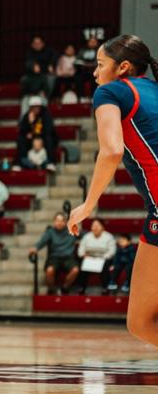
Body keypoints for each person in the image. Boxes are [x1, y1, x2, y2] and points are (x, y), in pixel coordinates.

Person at [66, 35, 158, 347]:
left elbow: (111, 150)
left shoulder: (111, 91)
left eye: (100, 64)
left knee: (141, 322)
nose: (95, 72)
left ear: (123, 67)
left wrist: (88, 204)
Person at [30, 212, 79, 295]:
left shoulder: (71, 230)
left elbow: (83, 234)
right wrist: (36, 248)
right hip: (54, 257)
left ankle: (65, 287)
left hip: (68, 257)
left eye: (62, 221)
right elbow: (42, 242)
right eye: (57, 220)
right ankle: (51, 289)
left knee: (75, 270)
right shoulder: (50, 232)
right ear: (54, 222)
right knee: (49, 270)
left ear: (65, 222)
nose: (59, 223)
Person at [14, 96, 58, 172]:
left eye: (37, 107)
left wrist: (37, 136)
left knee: (49, 138)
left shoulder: (46, 115)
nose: (36, 109)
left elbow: (49, 129)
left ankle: (50, 163)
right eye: (34, 107)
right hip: (32, 139)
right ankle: (20, 163)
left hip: (43, 137)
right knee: (21, 139)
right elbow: (22, 130)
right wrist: (30, 123)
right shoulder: (27, 115)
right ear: (30, 108)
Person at [76, 219, 116, 295]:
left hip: (103, 258)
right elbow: (81, 250)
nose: (95, 227)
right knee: (81, 263)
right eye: (94, 226)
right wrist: (84, 255)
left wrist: (102, 258)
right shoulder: (86, 237)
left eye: (98, 226)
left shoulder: (109, 237)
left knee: (106, 265)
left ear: (102, 227)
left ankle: (105, 287)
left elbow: (112, 251)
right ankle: (82, 287)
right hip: (89, 258)